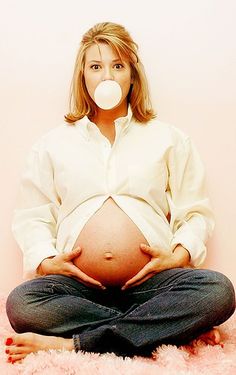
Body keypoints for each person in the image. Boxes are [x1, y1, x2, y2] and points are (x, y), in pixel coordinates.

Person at [5, 22, 235, 364]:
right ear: (83, 75)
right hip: (79, 290)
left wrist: (178, 256)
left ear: (132, 75)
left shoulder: (168, 139)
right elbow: (33, 215)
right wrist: (46, 259)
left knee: (218, 292)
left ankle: (78, 342)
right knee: (21, 303)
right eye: (96, 66)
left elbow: (195, 212)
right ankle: (167, 328)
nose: (107, 76)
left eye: (117, 66)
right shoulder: (52, 145)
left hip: (153, 286)